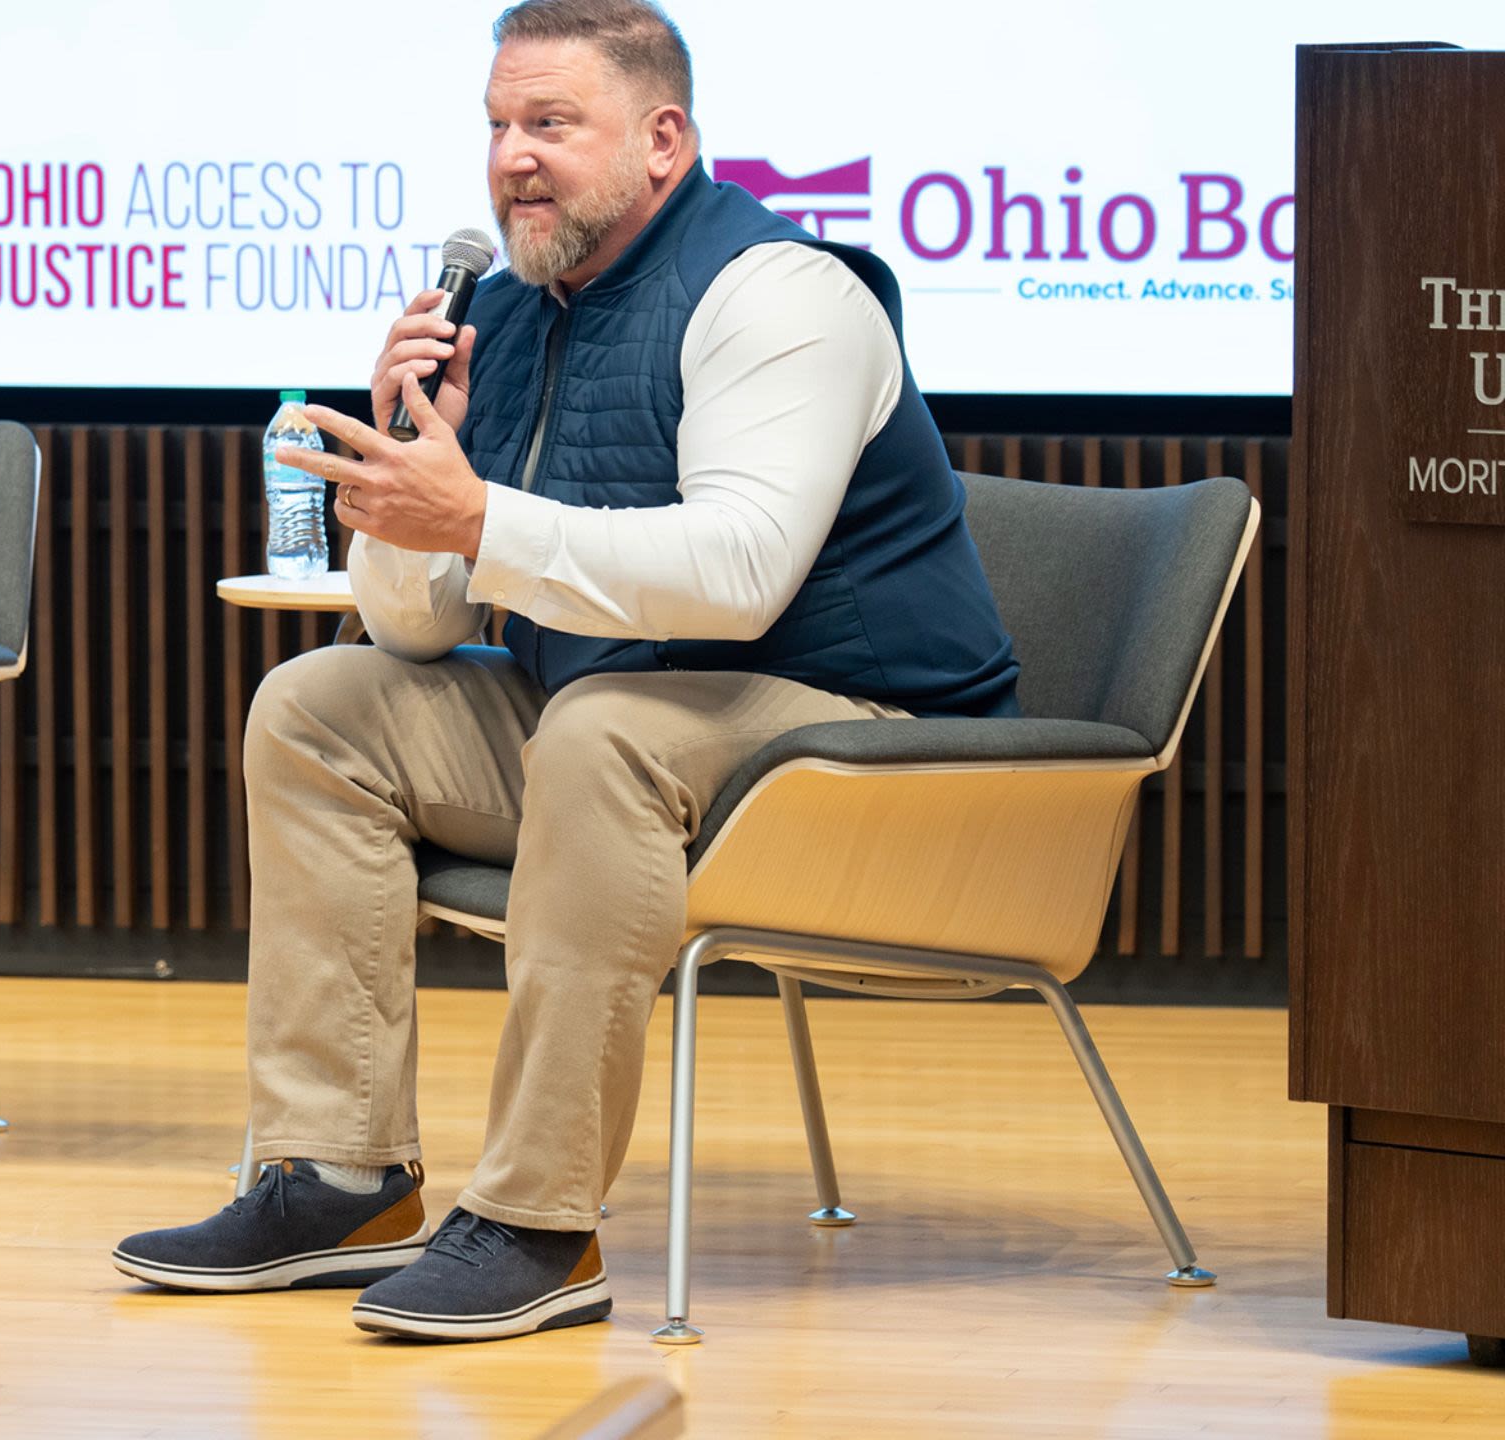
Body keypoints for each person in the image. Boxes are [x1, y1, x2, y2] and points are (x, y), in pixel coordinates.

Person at [112, 0, 1020, 1340]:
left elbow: (742, 571)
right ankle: (341, 1177)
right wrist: (410, 472)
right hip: (628, 713)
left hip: (866, 741)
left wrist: (476, 517)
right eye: (496, 126)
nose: (512, 157)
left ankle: (540, 1221)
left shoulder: (780, 296)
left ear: (664, 140)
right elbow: (417, 630)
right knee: (318, 706)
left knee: (604, 734)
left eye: (550, 124)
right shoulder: (513, 313)